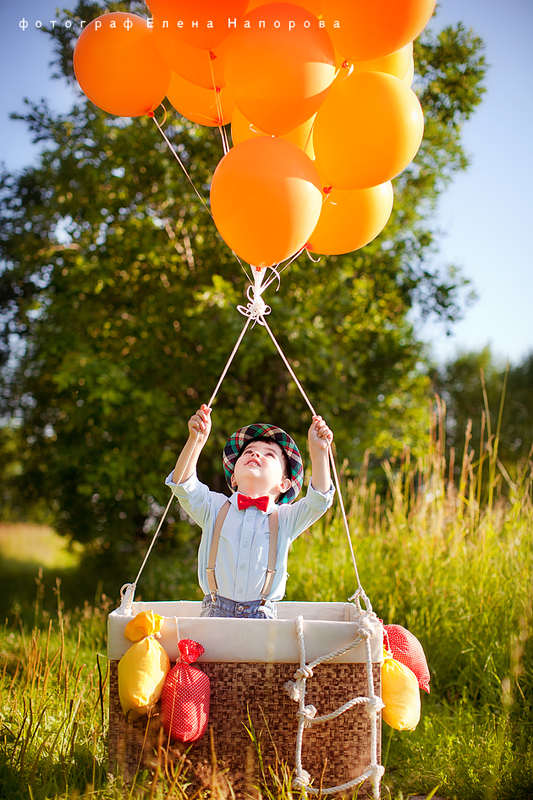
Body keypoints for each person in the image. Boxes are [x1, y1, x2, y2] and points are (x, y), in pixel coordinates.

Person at [165, 404, 334, 619]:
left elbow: (318, 501)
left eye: (269, 454)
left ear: (284, 484)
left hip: (262, 616)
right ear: (234, 478)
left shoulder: (284, 518)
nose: (256, 454)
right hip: (214, 613)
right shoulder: (214, 508)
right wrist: (195, 442)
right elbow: (183, 485)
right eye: (248, 451)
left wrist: (319, 453)